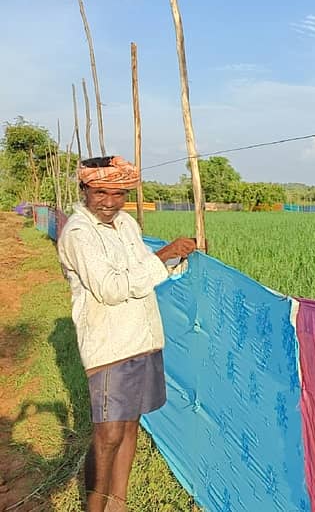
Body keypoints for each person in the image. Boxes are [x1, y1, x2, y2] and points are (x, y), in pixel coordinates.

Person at [57, 156, 197, 512]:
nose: (109, 201)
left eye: (118, 194)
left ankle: (117, 503)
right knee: (108, 434)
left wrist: (178, 259)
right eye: (100, 192)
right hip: (109, 347)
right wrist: (164, 255)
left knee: (131, 424)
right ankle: (95, 507)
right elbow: (110, 288)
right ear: (84, 189)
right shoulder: (78, 233)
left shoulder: (126, 224)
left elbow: (142, 268)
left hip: (143, 338)